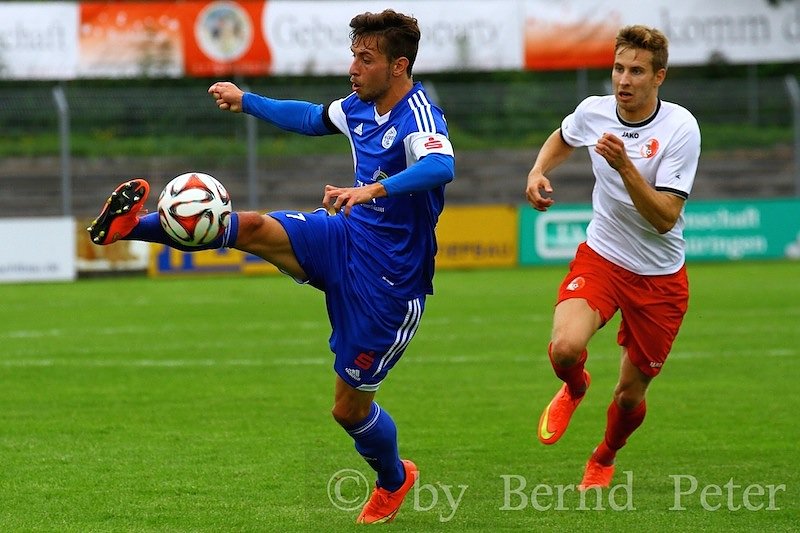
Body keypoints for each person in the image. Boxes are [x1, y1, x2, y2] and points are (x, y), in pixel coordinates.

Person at [88, 9, 454, 524]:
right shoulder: (358, 107)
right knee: (255, 228)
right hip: (346, 236)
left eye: (365, 59)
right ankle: (133, 226)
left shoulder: (419, 115)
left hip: (389, 284)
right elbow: (309, 118)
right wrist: (246, 102)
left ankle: (395, 479)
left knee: (347, 410)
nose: (353, 67)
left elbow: (441, 166)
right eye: (353, 55)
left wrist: (371, 188)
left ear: (398, 67)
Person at [525, 25, 700, 490]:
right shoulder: (595, 112)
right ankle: (575, 386)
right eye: (619, 69)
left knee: (628, 395)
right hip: (603, 256)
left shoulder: (681, 128)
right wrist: (539, 170)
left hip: (659, 278)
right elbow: (565, 136)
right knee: (564, 348)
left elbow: (664, 217)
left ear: (658, 77)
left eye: (637, 71)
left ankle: (604, 456)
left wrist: (625, 167)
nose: (624, 80)